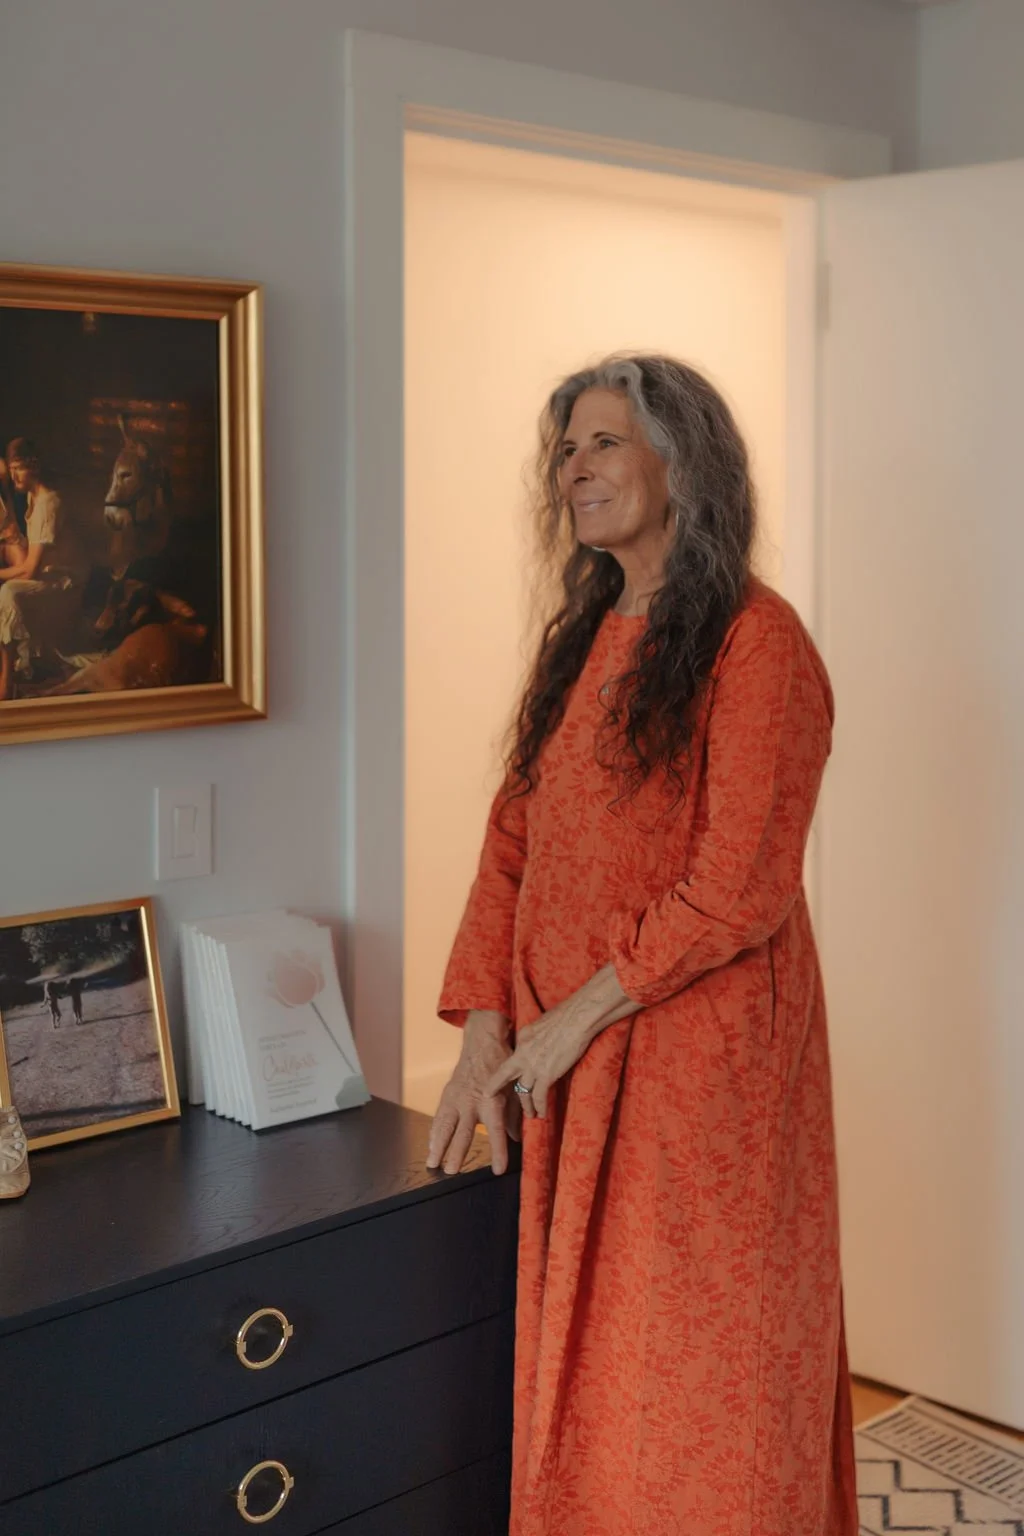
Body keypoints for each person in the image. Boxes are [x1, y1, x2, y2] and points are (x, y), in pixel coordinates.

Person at [427, 356, 856, 1536]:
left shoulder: (757, 644)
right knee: (595, 1358)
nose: (574, 468)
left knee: (693, 1358)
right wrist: (483, 1034)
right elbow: (510, 839)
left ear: (684, 465)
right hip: (570, 1058)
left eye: (603, 443)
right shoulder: (580, 635)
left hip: (696, 1068)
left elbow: (739, 889)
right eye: (565, 448)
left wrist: (574, 1015)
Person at [0, 438, 79, 700]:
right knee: (11, 550)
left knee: (9, 592)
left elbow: (31, 569)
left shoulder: (48, 503)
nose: (14, 476)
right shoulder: (33, 496)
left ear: (35, 466)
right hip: (45, 572)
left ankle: (6, 678)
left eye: (19, 468)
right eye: (11, 469)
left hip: (60, 581)